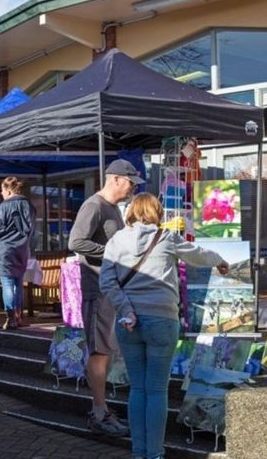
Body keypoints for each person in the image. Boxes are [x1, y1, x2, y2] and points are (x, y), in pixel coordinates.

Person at [100, 193, 228, 459]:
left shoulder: (115, 241)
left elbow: (107, 283)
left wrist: (126, 310)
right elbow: (199, 255)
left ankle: (139, 453)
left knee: (137, 389)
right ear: (157, 212)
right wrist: (221, 260)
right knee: (157, 389)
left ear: (132, 212)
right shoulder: (167, 238)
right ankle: (155, 454)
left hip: (129, 323)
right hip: (162, 320)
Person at [68, 159, 141, 437]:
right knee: (99, 352)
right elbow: (75, 242)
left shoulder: (110, 207)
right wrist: (113, 252)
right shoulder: (94, 205)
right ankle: (99, 413)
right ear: (116, 180)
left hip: (108, 289)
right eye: (131, 181)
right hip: (97, 290)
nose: (133, 187)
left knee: (104, 352)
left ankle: (102, 409)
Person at [0, 176, 36, 330]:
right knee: (18, 284)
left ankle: (11, 318)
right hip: (22, 249)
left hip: (4, 250)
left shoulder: (4, 207)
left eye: (2, 190)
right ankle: (18, 316)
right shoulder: (28, 205)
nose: (1, 193)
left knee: (8, 283)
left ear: (8, 190)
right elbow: (32, 229)